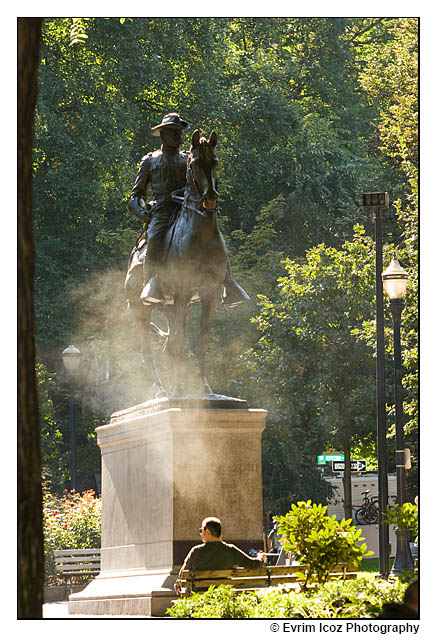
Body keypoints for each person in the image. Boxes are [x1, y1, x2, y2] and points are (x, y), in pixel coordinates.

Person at [128, 112, 249, 306]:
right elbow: (136, 196)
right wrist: (144, 213)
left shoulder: (188, 159)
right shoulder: (149, 161)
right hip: (162, 211)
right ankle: (152, 282)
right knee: (155, 237)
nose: (178, 137)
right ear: (162, 135)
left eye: (180, 133)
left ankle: (228, 281)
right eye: (173, 133)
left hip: (188, 207)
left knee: (214, 233)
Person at [174, 516, 267, 595]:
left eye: (201, 530)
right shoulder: (231, 550)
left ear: (207, 532)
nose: (200, 533)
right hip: (222, 597)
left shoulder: (196, 551)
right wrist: (261, 558)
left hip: (199, 597)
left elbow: (183, 574)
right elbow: (253, 564)